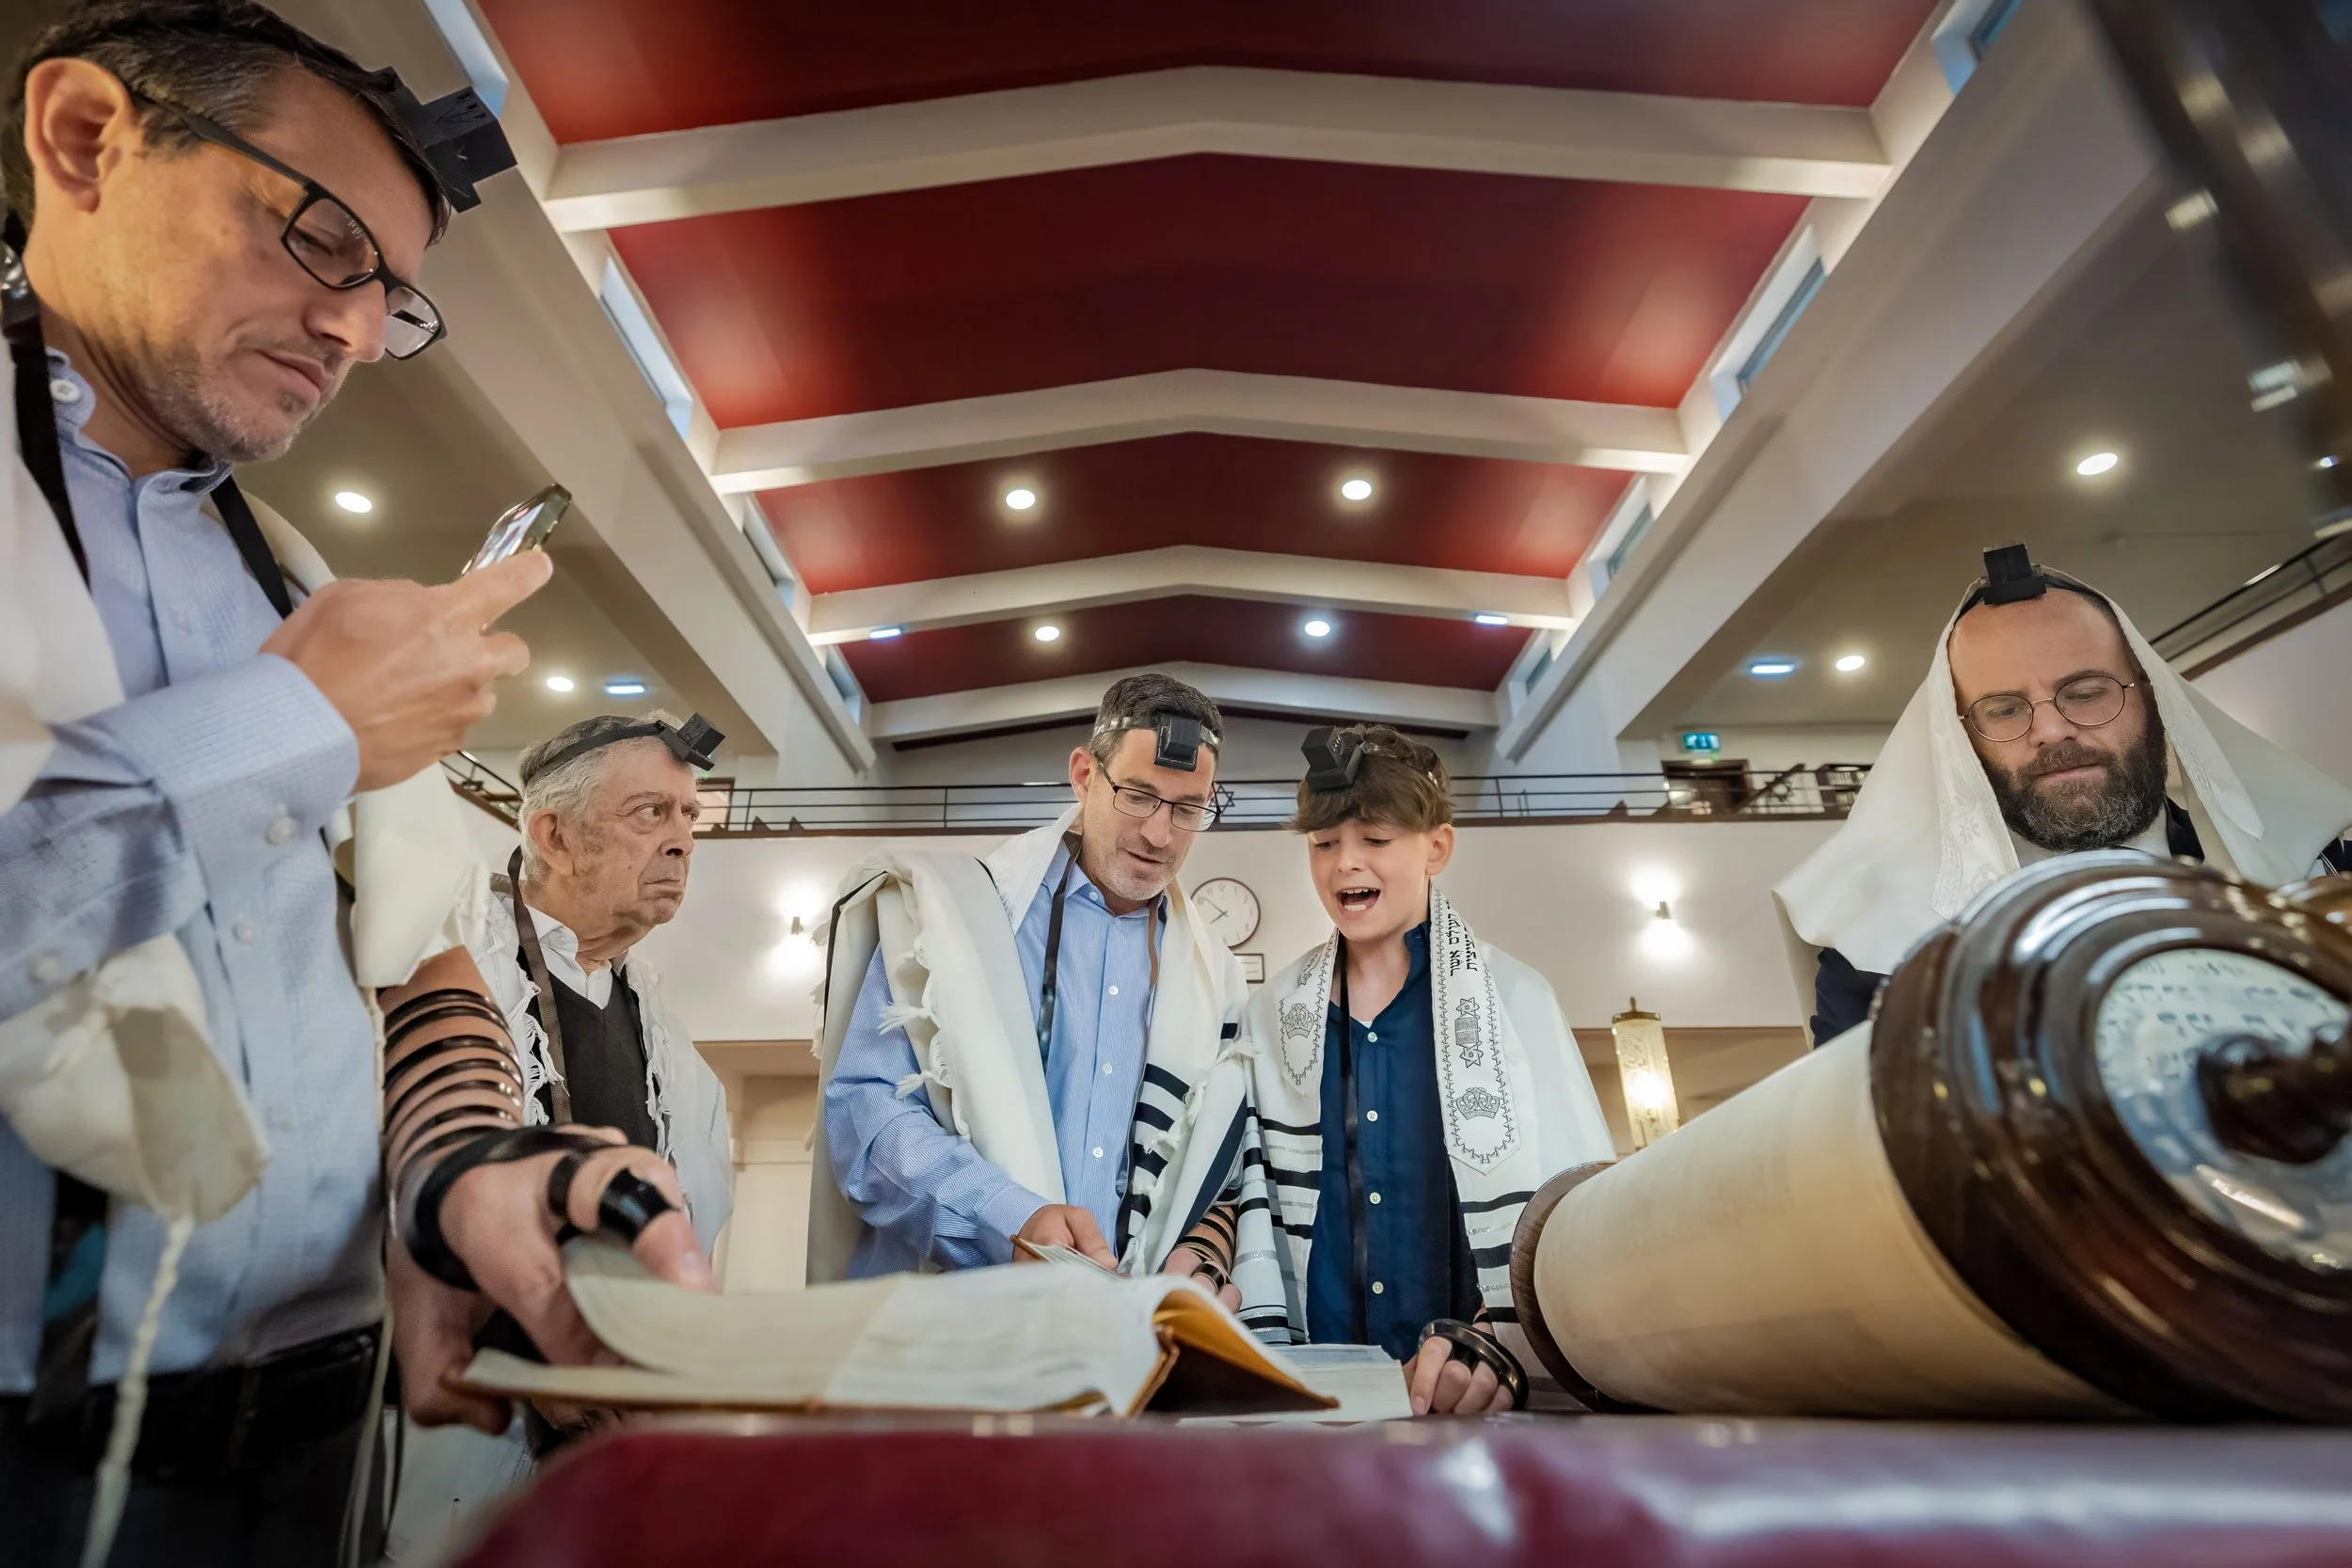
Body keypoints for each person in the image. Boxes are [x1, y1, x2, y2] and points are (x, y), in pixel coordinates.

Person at [0, 7, 706, 1562]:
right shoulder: (301, 658)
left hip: (323, 1416)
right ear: (80, 138)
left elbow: (399, 960)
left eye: (391, 298)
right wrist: (293, 721)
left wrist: (460, 1178)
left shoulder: (290, 571)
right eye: (321, 240)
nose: (354, 330)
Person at [391, 710, 735, 1552]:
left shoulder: (659, 1023)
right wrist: (532, 1358)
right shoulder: (444, 968)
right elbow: (400, 1194)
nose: (683, 841)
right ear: (551, 833)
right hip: (472, 1412)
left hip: (616, 1422)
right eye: (650, 813)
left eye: (690, 818)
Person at [1779, 546, 2352, 1046]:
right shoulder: (1876, 951)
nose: (2052, 731)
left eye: (2085, 692)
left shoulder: (2311, 869)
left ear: (2153, 701)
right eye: (2003, 709)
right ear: (1962, 737)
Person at [813, 673, 1259, 1307]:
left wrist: (1201, 1253)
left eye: (1188, 808)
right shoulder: (949, 918)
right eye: (1138, 795)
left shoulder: (1219, 978)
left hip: (1131, 1340)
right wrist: (1006, 1216)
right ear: (1083, 774)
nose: (1160, 834)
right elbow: (867, 1114)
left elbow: (1224, 1171)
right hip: (955, 1325)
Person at [1225, 725, 1615, 1415]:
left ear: (1437, 846)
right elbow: (1245, 1194)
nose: (1345, 864)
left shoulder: (1516, 1000)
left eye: (1375, 840)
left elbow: (1578, 1219)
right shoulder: (1271, 1014)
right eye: (1323, 843)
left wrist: (1501, 1346)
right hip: (1313, 1388)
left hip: (1477, 1392)